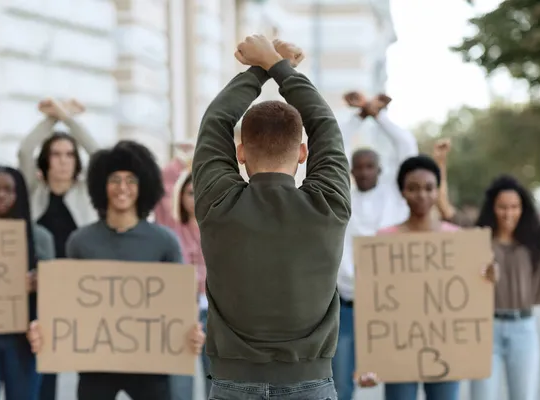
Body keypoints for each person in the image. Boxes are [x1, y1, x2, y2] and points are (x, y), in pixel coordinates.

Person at [192, 35, 350, 399]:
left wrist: (261, 70)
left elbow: (215, 122)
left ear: (241, 152)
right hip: (311, 385)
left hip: (232, 384)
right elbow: (326, 124)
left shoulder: (218, 205)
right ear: (302, 153)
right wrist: (278, 68)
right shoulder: (329, 205)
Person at [26, 140, 205, 400]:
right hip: (96, 364)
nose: (123, 188)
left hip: (152, 363)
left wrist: (192, 331)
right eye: (115, 180)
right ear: (102, 186)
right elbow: (67, 303)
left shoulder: (164, 241)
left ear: (143, 186)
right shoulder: (80, 241)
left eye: (131, 180)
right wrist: (44, 329)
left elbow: (180, 303)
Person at [434, 140, 540, 400]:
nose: (508, 213)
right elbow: (444, 207)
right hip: (485, 329)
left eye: (514, 207)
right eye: (502, 207)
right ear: (492, 208)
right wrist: (440, 162)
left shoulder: (539, 237)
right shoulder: (478, 235)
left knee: (524, 396)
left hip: (523, 329)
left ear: (523, 208)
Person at [356, 154, 496, 400]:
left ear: (437, 191)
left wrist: (491, 274)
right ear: (402, 192)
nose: (421, 195)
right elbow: (372, 305)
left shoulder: (458, 240)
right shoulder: (383, 241)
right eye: (413, 188)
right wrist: (369, 359)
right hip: (396, 353)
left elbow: (475, 289)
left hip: (447, 352)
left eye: (429, 188)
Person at [333, 91, 418, 400]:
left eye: (370, 166)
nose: (365, 171)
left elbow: (406, 146)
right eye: (359, 166)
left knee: (398, 384)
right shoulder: (343, 199)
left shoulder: (395, 197)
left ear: (379, 169)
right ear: (352, 171)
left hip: (390, 306)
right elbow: (332, 143)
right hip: (348, 307)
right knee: (341, 386)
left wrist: (377, 115)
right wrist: (360, 117)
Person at [18, 98, 99, 399]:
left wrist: (68, 118)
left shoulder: (87, 192)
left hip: (81, 290)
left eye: (69, 155)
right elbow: (25, 150)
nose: (63, 160)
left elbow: (99, 154)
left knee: (89, 365)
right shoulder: (33, 193)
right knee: (45, 364)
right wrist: (51, 121)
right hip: (42, 291)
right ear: (46, 161)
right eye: (55, 154)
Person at [0, 166, 55, 400]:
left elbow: (58, 291)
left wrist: (41, 282)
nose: (0, 195)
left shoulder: (41, 237)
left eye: (8, 190)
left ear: (20, 195)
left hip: (24, 339)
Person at [157, 168, 212, 399]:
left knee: (216, 380)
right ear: (180, 196)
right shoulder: (170, 230)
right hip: (179, 314)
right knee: (179, 386)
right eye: (190, 192)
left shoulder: (219, 229)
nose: (195, 198)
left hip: (213, 313)